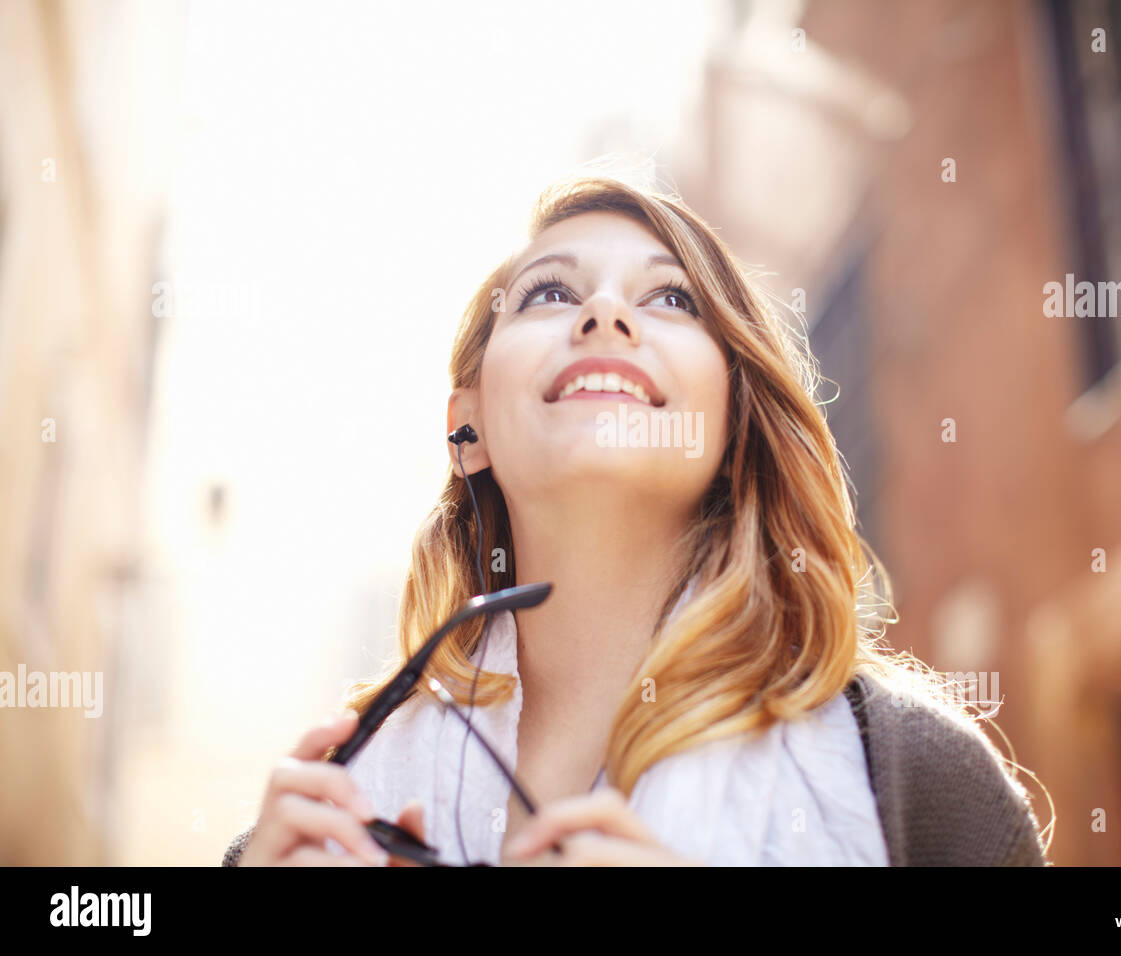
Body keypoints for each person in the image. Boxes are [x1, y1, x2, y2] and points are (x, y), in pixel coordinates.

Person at [224, 174, 1050, 867]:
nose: (606, 317)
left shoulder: (916, 784)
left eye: (669, 298)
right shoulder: (310, 824)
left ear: (732, 424)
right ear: (465, 430)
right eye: (551, 292)